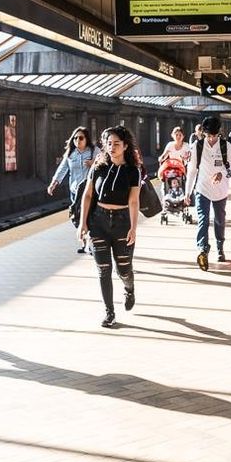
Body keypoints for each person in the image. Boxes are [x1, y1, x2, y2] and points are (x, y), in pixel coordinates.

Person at [78, 126, 142, 328]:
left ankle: (129, 287)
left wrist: (133, 228)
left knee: (123, 269)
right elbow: (88, 195)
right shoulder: (98, 167)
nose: (111, 147)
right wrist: (82, 223)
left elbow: (133, 201)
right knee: (103, 269)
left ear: (125, 146)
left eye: (116, 143)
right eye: (108, 143)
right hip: (99, 222)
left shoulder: (133, 171)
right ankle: (109, 313)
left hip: (123, 222)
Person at [185, 116, 231, 269]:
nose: (211, 139)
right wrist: (188, 192)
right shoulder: (197, 146)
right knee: (203, 219)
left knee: (219, 220)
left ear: (219, 133)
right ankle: (202, 249)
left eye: (214, 136)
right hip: (202, 189)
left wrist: (222, 173)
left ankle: (220, 247)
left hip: (221, 190)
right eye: (208, 136)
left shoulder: (226, 146)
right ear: (203, 133)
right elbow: (192, 170)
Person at [48, 126, 98, 253]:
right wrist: (54, 183)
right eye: (75, 138)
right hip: (75, 191)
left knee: (89, 217)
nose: (78, 140)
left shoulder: (94, 151)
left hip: (90, 191)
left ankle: (91, 244)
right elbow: (62, 168)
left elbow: (106, 163)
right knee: (76, 217)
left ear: (86, 139)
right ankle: (85, 243)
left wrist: (94, 163)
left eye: (81, 138)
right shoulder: (71, 154)